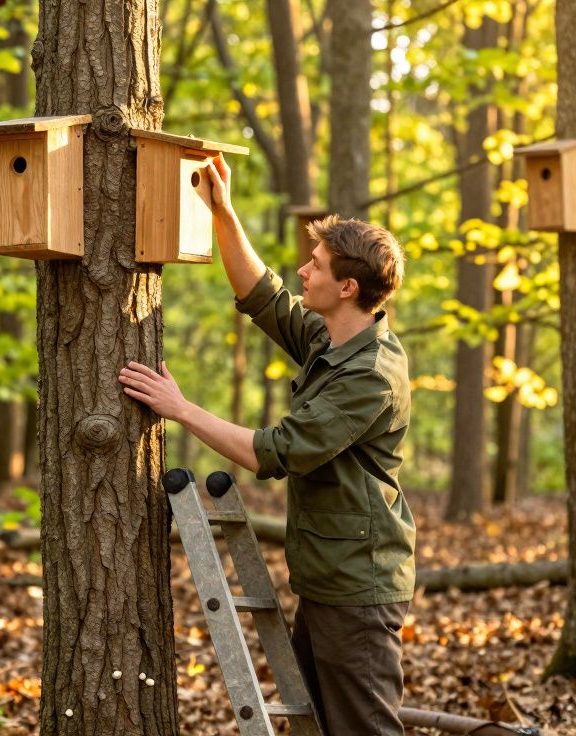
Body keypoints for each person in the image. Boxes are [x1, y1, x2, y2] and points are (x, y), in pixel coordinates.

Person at [118, 153, 415, 736]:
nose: (304, 271)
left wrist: (180, 409)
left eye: (317, 264)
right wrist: (222, 212)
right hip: (330, 577)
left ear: (347, 286)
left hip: (358, 587)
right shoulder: (334, 341)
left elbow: (272, 452)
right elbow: (264, 296)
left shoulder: (370, 375)